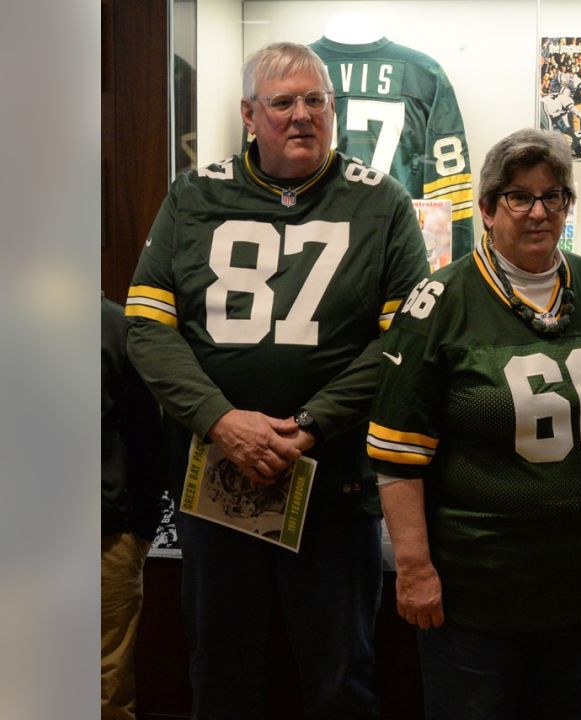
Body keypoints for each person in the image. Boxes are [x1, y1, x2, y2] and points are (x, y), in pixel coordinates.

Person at [124, 42, 428, 719]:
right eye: (282, 102)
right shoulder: (195, 195)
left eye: (315, 101)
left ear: (334, 110)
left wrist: (313, 421)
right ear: (248, 114)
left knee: (340, 672)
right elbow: (146, 326)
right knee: (222, 669)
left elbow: (405, 343)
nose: (301, 116)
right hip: (217, 478)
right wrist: (220, 420)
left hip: (335, 483)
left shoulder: (382, 205)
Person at [368, 128, 581, 720]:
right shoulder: (440, 300)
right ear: (487, 209)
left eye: (554, 196)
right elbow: (394, 455)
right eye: (518, 196)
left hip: (579, 584)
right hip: (474, 594)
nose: (538, 212)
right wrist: (413, 569)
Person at [102, 295, 164, 720]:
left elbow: (148, 436)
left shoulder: (116, 327)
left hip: (104, 534)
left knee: (106, 684)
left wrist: (140, 528)